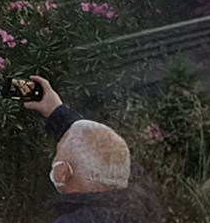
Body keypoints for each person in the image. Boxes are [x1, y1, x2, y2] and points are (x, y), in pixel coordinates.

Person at [23, 75, 164, 223]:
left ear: (63, 173)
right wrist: (57, 112)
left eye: (57, 158)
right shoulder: (141, 206)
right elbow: (113, 152)